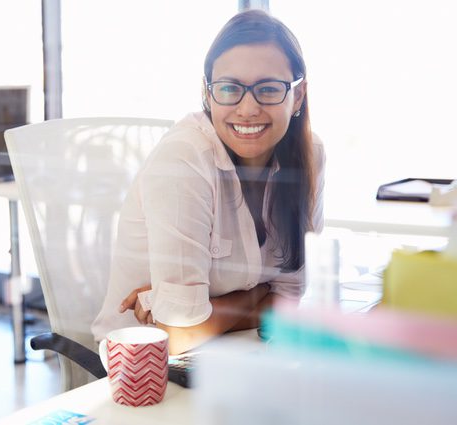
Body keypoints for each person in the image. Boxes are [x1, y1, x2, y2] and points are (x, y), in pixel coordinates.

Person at [91, 9, 324, 355]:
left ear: (298, 96)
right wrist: (259, 296)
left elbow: (290, 299)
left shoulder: (309, 156)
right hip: (140, 369)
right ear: (207, 93)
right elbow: (178, 336)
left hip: (240, 353)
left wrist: (205, 314)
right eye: (229, 88)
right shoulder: (184, 158)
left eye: (269, 89)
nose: (247, 108)